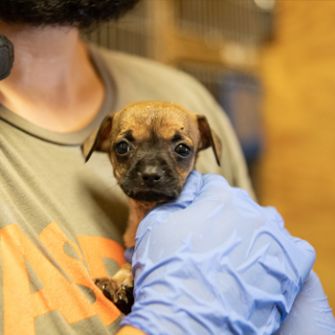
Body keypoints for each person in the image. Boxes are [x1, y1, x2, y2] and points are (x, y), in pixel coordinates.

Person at [0, 1, 333, 334]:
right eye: (125, 148)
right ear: (101, 144)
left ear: (204, 146)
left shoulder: (191, 98)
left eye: (181, 150)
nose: (150, 171)